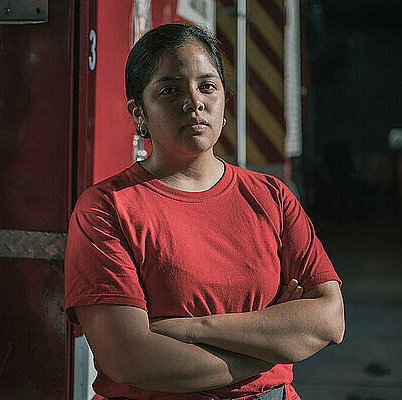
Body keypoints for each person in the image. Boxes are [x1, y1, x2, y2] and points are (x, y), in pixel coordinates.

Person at [64, 23, 344, 400]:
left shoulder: (271, 197)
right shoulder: (107, 209)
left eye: (207, 86)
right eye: (170, 90)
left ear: (224, 103)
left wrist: (192, 329)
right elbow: (129, 357)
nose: (193, 101)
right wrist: (270, 352)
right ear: (139, 112)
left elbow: (329, 320)